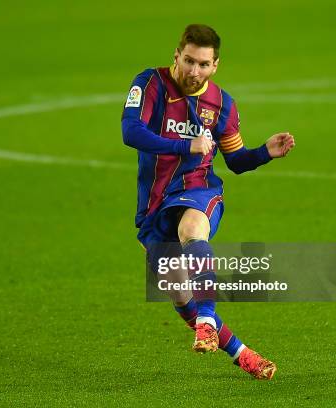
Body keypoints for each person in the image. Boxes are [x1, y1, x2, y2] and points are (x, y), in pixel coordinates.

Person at [121, 24, 295, 380]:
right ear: (177, 55)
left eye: (202, 64)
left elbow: (236, 160)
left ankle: (206, 319)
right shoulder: (150, 84)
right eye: (188, 61)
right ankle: (243, 353)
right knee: (180, 295)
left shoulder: (221, 105)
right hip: (154, 204)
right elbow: (130, 132)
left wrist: (265, 152)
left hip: (200, 189)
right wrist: (185, 145)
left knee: (191, 228)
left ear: (215, 65)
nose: (193, 71)